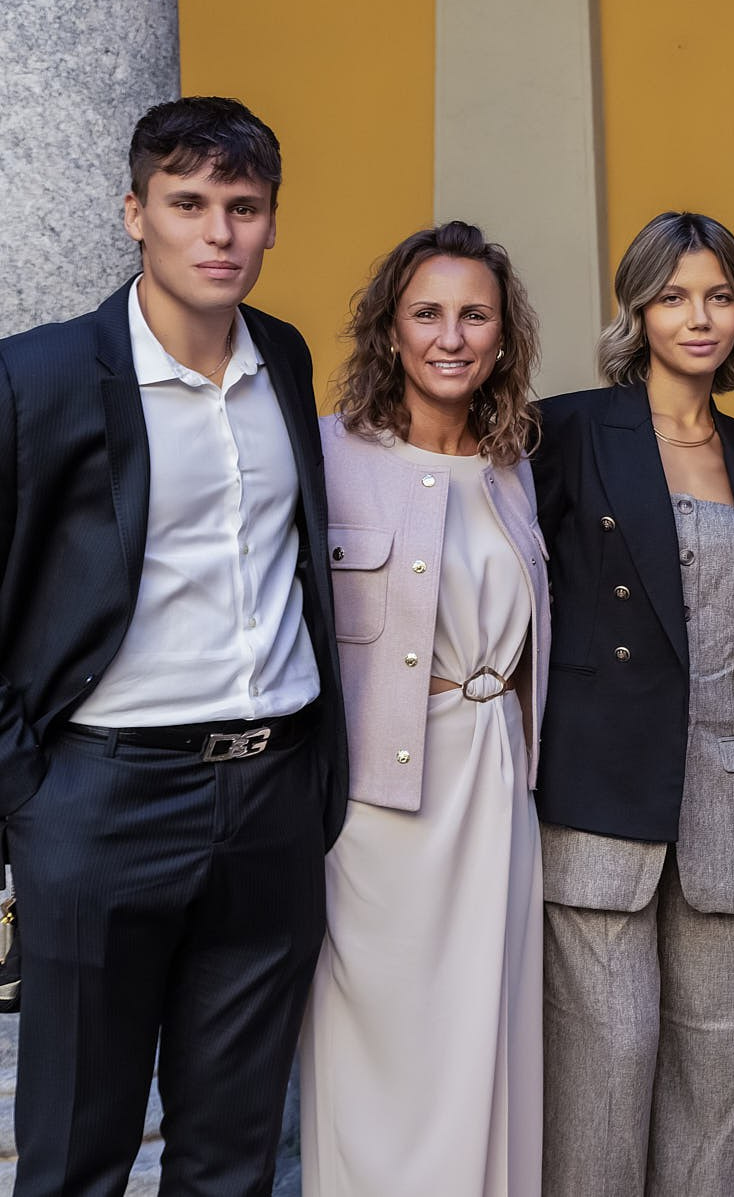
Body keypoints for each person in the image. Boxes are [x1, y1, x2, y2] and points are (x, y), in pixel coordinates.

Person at [0, 96, 346, 1196]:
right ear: (133, 213)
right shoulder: (40, 376)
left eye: (242, 207)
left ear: (273, 221)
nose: (218, 232)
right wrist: (30, 797)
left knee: (233, 1155)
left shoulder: (283, 360)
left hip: (271, 799)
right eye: (187, 203)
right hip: (104, 800)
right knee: (75, 1152)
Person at [532, 210, 734, 1197]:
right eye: (674, 295)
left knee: (713, 1077)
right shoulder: (567, 432)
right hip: (599, 791)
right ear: (636, 310)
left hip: (731, 797)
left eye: (718, 296)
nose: (698, 317)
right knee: (606, 1064)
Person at [299, 221, 549, 1196]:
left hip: (497, 789)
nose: (452, 336)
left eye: (474, 314)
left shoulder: (522, 467)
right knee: (377, 1066)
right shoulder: (324, 456)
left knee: (488, 1042)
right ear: (389, 330)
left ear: (502, 335)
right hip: (373, 815)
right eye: (428, 313)